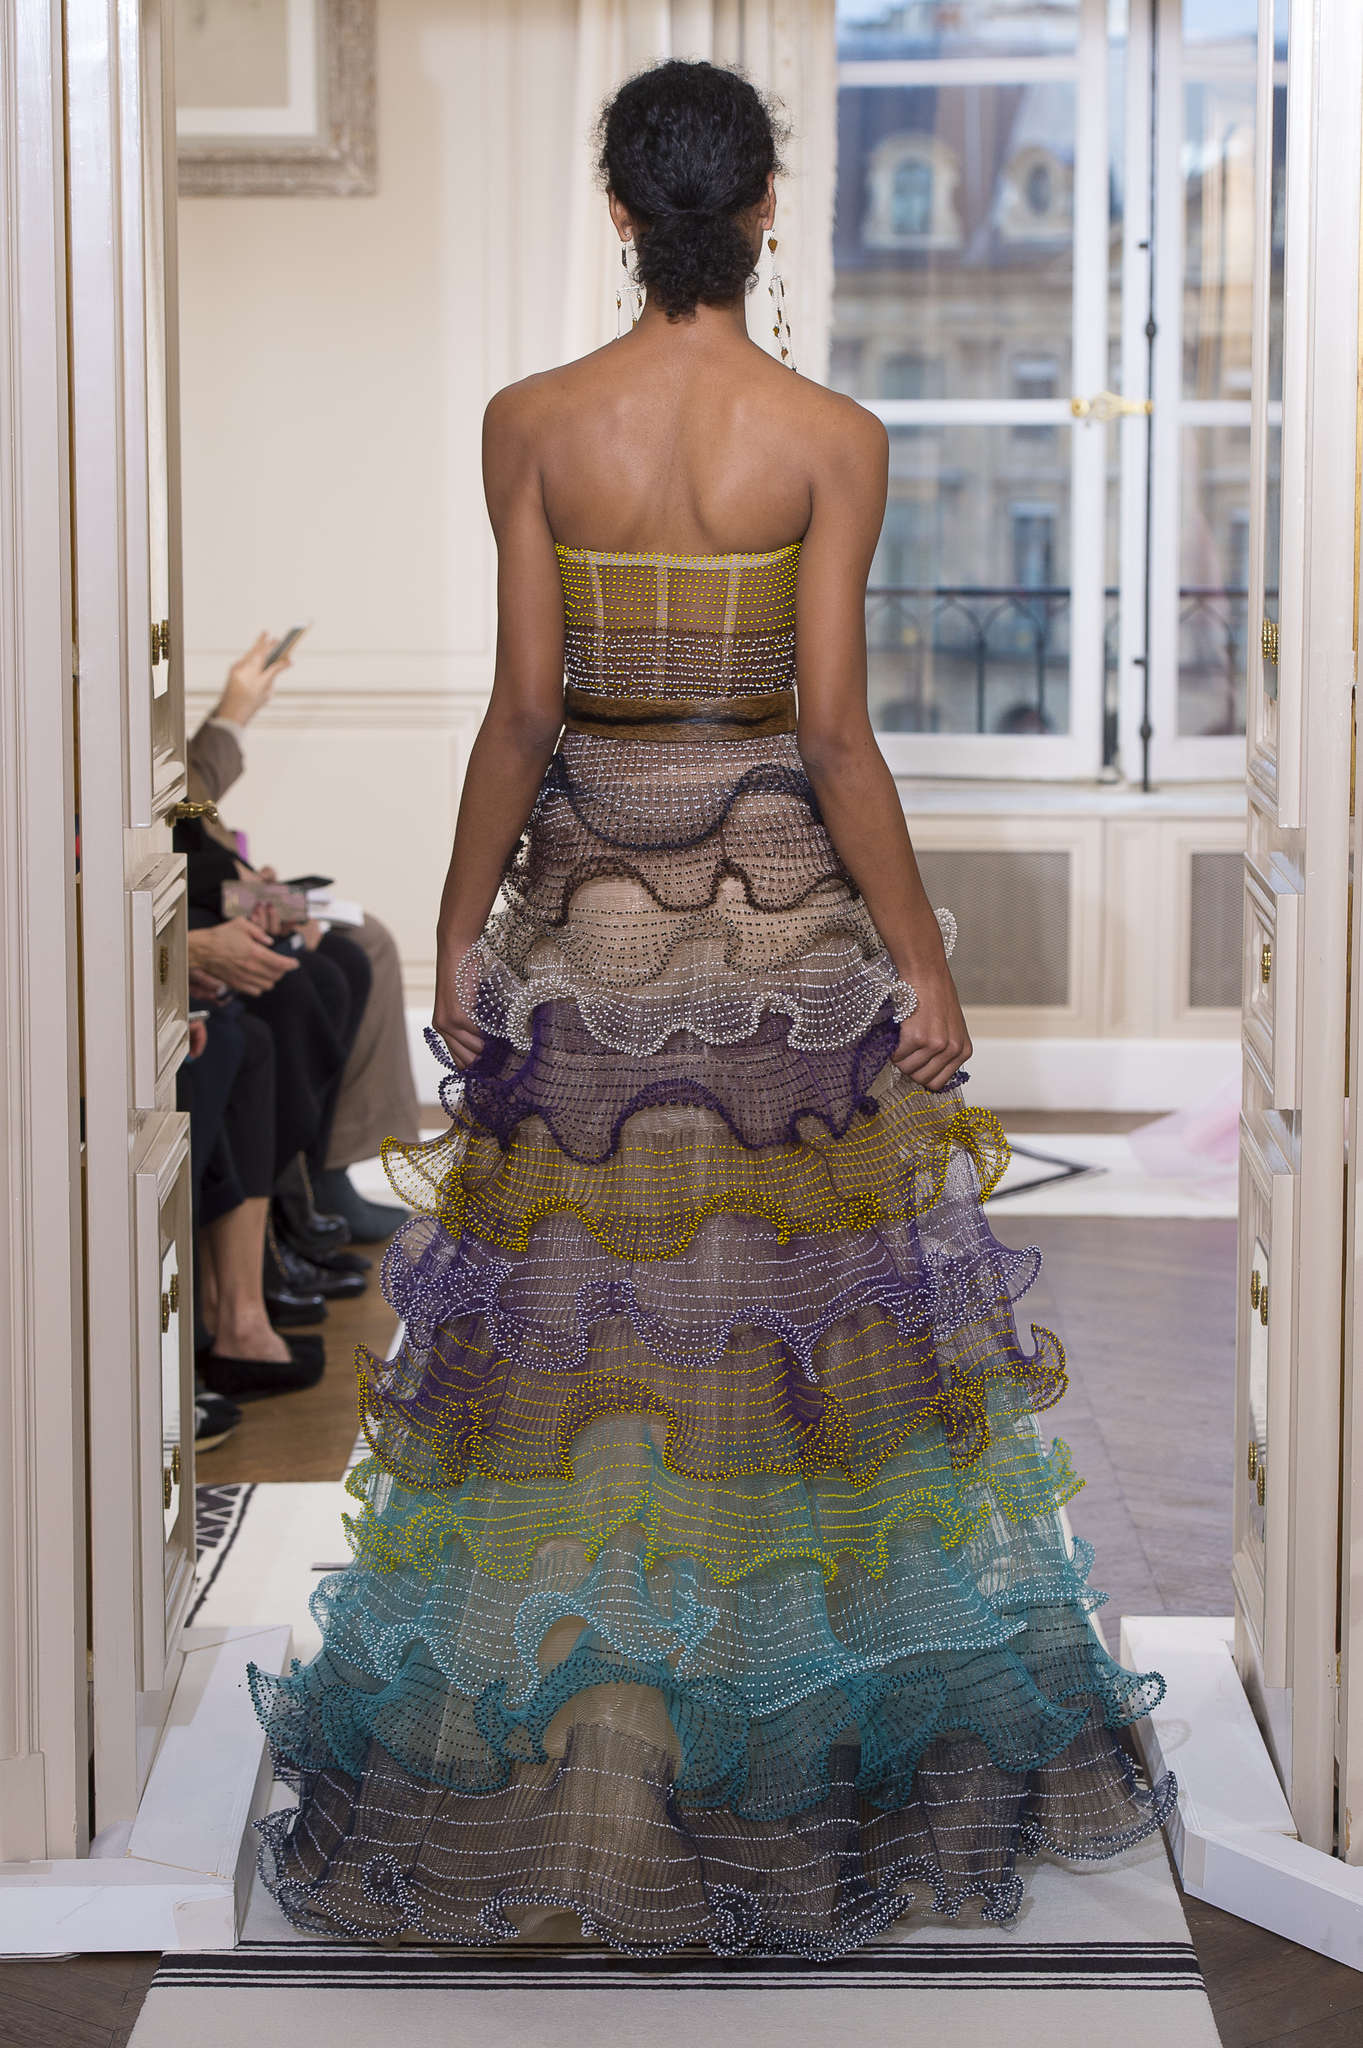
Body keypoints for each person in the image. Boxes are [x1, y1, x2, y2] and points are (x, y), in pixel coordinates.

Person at [250, 60, 1173, 1955]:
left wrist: (457, 930)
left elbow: (523, 710)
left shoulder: (531, 422)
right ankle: (772, 1761)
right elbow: (830, 734)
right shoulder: (829, 434)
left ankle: (585, 1753)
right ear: (761, 211)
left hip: (588, 922)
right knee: (778, 1344)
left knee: (585, 1348)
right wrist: (921, 958)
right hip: (777, 934)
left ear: (619, 212)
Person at [187, 637, 418, 1242]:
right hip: (197, 894)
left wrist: (237, 707)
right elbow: (175, 828)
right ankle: (303, 1188)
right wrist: (246, 887)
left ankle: (330, 1168)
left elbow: (188, 800)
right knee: (326, 964)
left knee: (365, 938)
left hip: (214, 880)